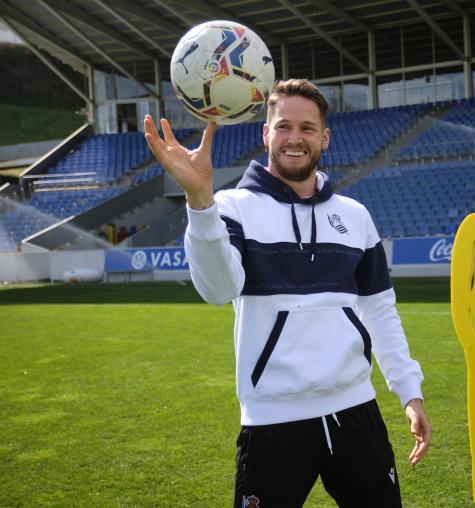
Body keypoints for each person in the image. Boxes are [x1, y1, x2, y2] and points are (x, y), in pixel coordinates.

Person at [143, 78, 431, 507]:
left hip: (356, 412)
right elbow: (219, 291)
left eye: (307, 128)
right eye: (283, 126)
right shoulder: (232, 207)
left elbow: (379, 311)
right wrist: (200, 200)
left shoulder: (354, 216)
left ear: (325, 137)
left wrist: (409, 390)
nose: (295, 138)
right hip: (272, 420)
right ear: (266, 134)